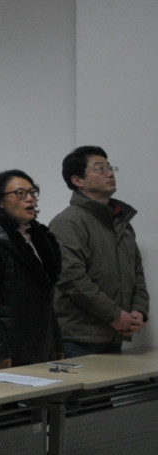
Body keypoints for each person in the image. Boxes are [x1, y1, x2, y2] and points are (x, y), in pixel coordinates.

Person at [49, 146, 148, 357]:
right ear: (78, 180)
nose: (110, 173)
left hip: (113, 334)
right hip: (78, 338)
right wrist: (115, 315)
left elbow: (137, 273)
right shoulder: (68, 223)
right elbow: (72, 279)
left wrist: (138, 311)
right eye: (100, 168)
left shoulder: (121, 222)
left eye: (110, 167)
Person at [0, 170, 61, 372]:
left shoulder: (37, 237)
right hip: (4, 352)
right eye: (20, 193)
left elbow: (45, 296)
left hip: (37, 345)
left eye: (32, 192)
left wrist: (56, 342)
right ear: (0, 201)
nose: (30, 199)